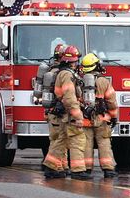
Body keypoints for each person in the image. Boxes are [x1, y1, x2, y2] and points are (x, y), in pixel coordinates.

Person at [41, 45, 89, 178]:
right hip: (69, 114)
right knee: (77, 140)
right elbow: (69, 97)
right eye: (76, 60)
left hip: (63, 114)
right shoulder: (67, 75)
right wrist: (78, 115)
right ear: (73, 61)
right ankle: (78, 171)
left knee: (61, 140)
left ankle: (50, 166)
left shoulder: (62, 73)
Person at [79, 53, 119, 178]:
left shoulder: (79, 81)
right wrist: (114, 117)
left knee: (86, 144)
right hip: (101, 119)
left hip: (85, 120)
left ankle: (86, 169)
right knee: (104, 143)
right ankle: (108, 169)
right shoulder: (103, 81)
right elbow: (111, 101)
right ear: (97, 66)